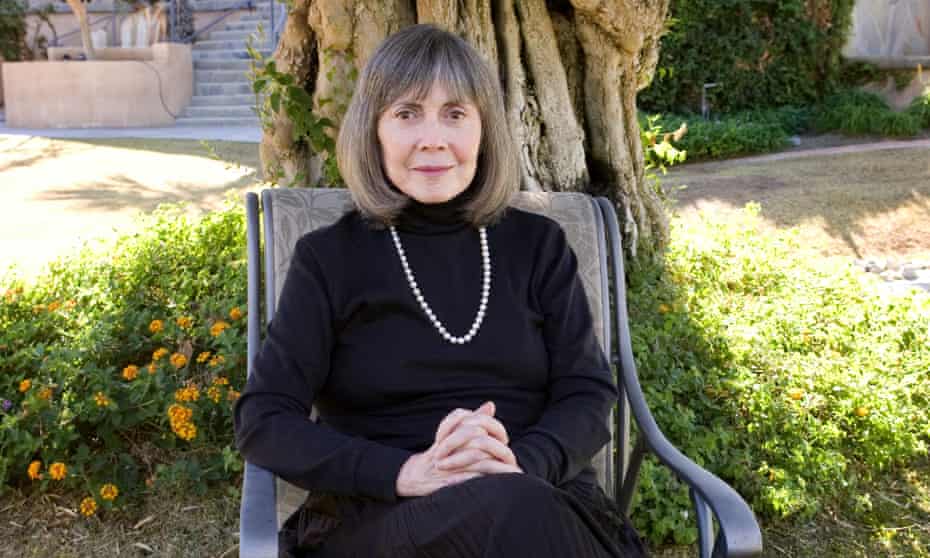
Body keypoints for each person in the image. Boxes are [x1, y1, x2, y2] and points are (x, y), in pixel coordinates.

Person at [234, 24, 648, 558]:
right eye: (407, 114)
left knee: (515, 508)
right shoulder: (329, 259)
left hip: (534, 492)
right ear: (374, 131)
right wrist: (406, 471)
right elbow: (264, 419)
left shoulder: (538, 246)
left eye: (455, 114)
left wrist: (519, 464)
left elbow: (586, 393)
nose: (432, 138)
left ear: (484, 130)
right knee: (514, 514)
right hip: (383, 515)